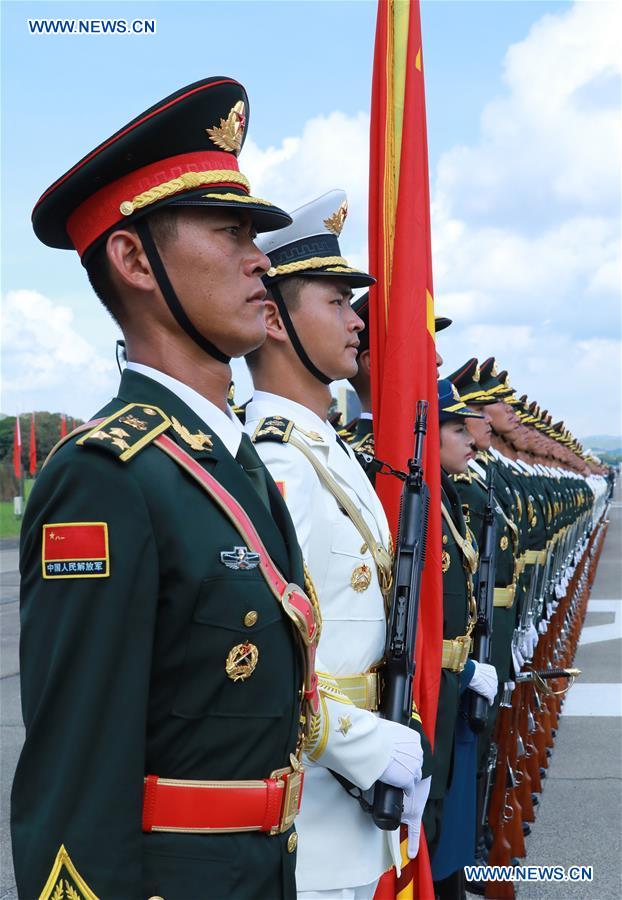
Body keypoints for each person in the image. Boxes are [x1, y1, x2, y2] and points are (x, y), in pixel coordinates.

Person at [11, 77, 321, 900]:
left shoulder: (232, 460)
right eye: (230, 232)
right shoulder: (108, 479)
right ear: (134, 258)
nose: (261, 258)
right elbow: (74, 778)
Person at [243, 191, 428, 899]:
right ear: (277, 319)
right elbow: (265, 655)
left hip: (359, 811)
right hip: (314, 822)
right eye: (336, 301)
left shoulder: (327, 451)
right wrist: (367, 746)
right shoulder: (280, 461)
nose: (357, 322)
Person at [422, 380, 498, 898]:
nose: (472, 437)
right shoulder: (426, 488)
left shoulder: (450, 487)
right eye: (458, 427)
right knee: (430, 815)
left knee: (449, 806)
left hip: (453, 673)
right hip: (433, 681)